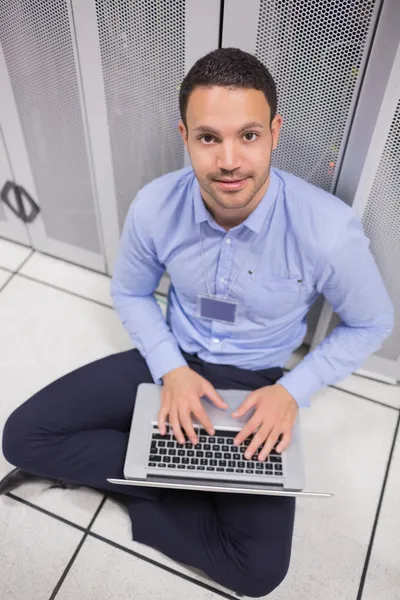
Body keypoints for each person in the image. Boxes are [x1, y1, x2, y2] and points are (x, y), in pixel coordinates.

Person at [1, 47, 394, 597]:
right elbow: (131, 292)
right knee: (22, 437)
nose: (229, 160)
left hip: (256, 383)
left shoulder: (327, 230)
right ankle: (175, 473)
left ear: (276, 132)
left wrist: (292, 391)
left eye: (249, 136)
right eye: (209, 138)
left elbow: (372, 323)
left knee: (258, 573)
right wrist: (171, 370)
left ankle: (143, 487)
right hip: (170, 360)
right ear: (184, 135)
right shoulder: (154, 205)